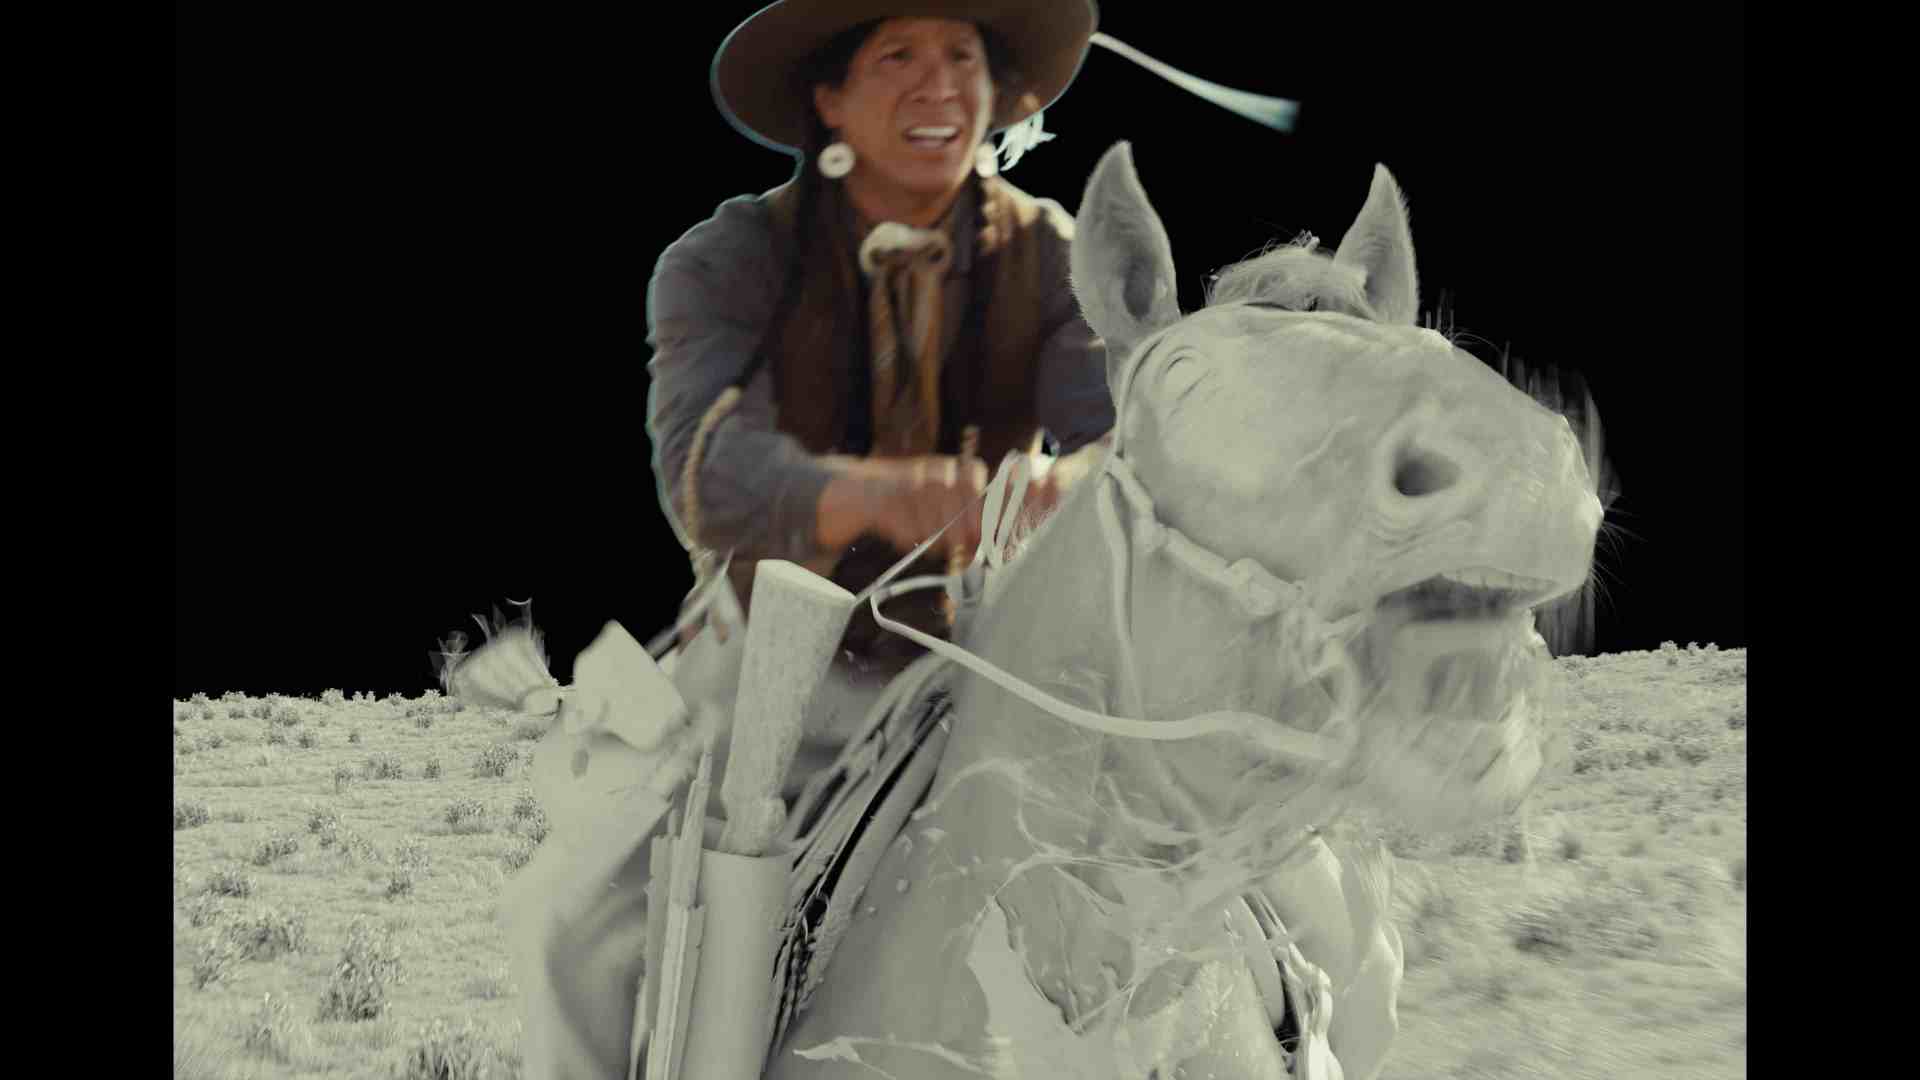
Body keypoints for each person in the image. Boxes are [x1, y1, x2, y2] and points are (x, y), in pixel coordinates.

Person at [645, 0, 1115, 678]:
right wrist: (874, 496)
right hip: (765, 651)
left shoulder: (1052, 257)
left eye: (963, 56)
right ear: (830, 99)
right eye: (899, 56)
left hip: (992, 653)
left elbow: (1120, 437)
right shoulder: (729, 259)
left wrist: (1065, 484)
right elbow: (704, 473)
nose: (940, 87)